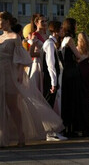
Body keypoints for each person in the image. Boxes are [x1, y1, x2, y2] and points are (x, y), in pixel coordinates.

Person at [0, 11, 64, 147]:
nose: (0, 24)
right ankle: (3, 136)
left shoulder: (15, 37)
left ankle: (21, 134)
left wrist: (18, 74)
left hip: (10, 74)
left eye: (2, 21)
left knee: (13, 106)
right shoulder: (0, 38)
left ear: (8, 21)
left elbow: (23, 58)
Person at [61, 18, 88, 137]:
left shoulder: (63, 39)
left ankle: (68, 127)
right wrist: (86, 56)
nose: (77, 27)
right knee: (74, 99)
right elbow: (78, 56)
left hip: (66, 72)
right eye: (76, 25)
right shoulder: (70, 39)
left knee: (68, 99)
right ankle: (72, 128)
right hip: (72, 71)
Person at [76, 32, 89, 137]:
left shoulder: (77, 49)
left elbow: (77, 60)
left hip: (80, 72)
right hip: (87, 71)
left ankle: (82, 126)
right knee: (86, 100)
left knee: (81, 99)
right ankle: (88, 126)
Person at [29, 14, 48, 93]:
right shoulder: (34, 35)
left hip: (46, 63)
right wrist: (43, 54)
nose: (44, 23)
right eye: (42, 21)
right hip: (38, 64)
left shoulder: (46, 35)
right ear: (36, 23)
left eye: (45, 21)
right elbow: (31, 53)